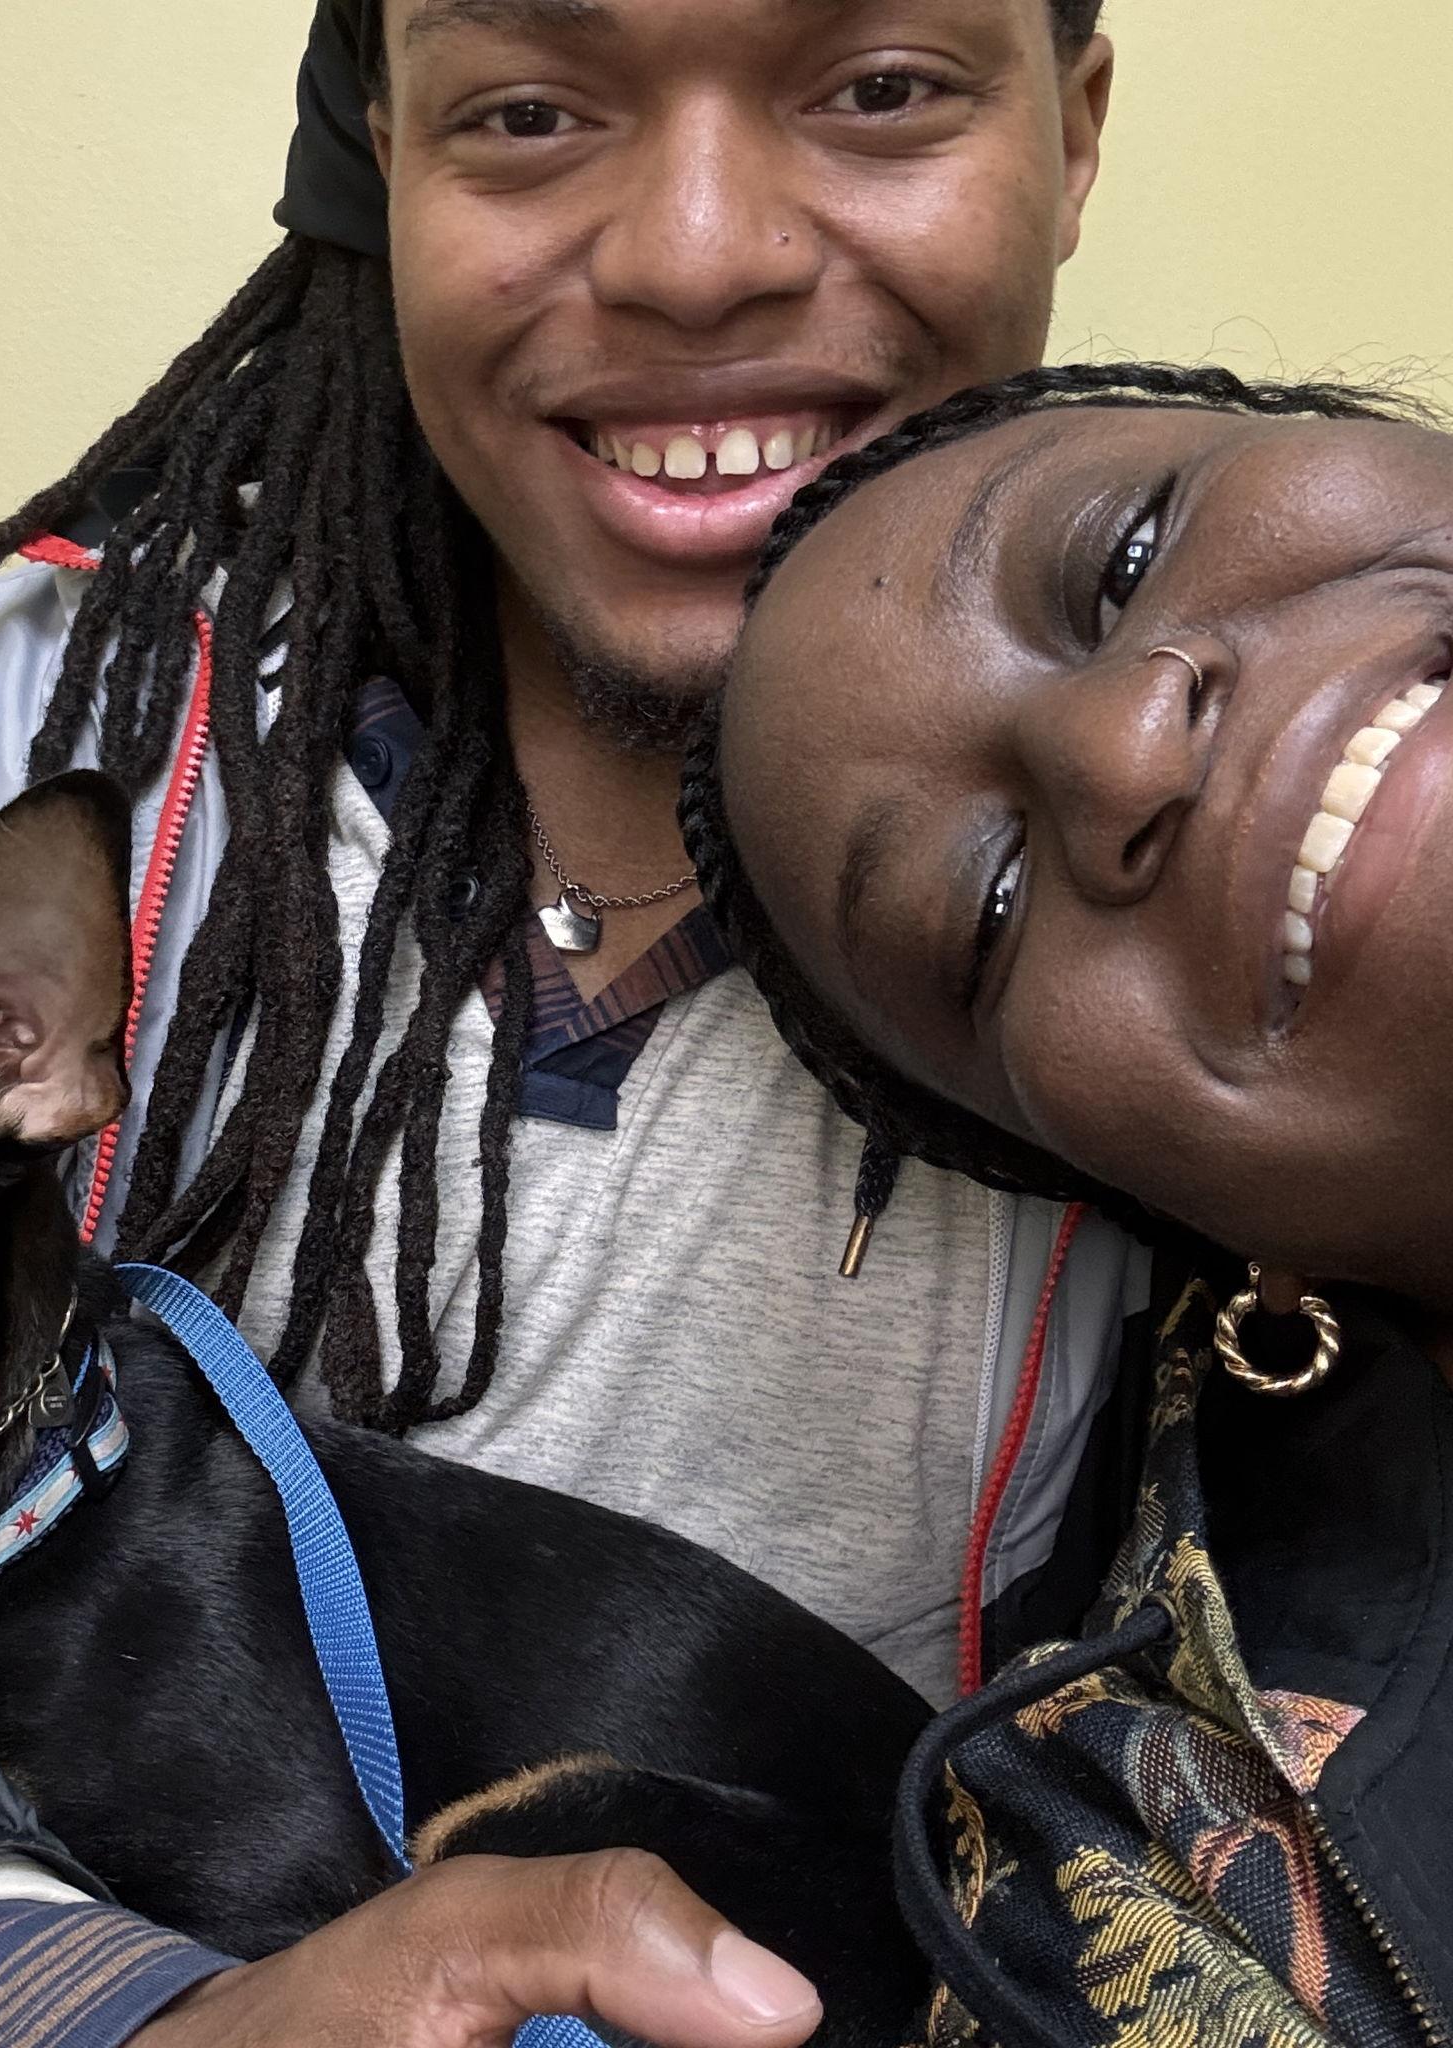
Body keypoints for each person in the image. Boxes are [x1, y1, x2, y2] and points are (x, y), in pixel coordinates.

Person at [0, 3, 1123, 2043]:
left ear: (1075, 127)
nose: (696, 253)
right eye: (530, 106)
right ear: (378, 149)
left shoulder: (1198, 956)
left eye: (877, 87)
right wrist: (1, 1967)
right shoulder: (17, 714)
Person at [687, 360, 1453, 2039]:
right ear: (1227, 1244)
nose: (1118, 747)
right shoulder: (1167, 1897)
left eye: (1124, 559)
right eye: (991, 912)